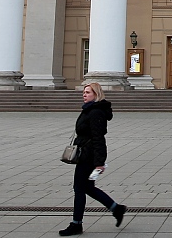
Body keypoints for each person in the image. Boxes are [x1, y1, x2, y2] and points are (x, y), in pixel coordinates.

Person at [59, 83, 126, 236]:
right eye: (84, 92)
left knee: (79, 189)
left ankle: (76, 224)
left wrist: (99, 163)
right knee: (88, 187)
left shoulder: (96, 112)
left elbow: (99, 138)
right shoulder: (89, 109)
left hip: (88, 157)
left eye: (88, 92)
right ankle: (116, 208)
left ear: (96, 95)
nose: (84, 94)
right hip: (85, 154)